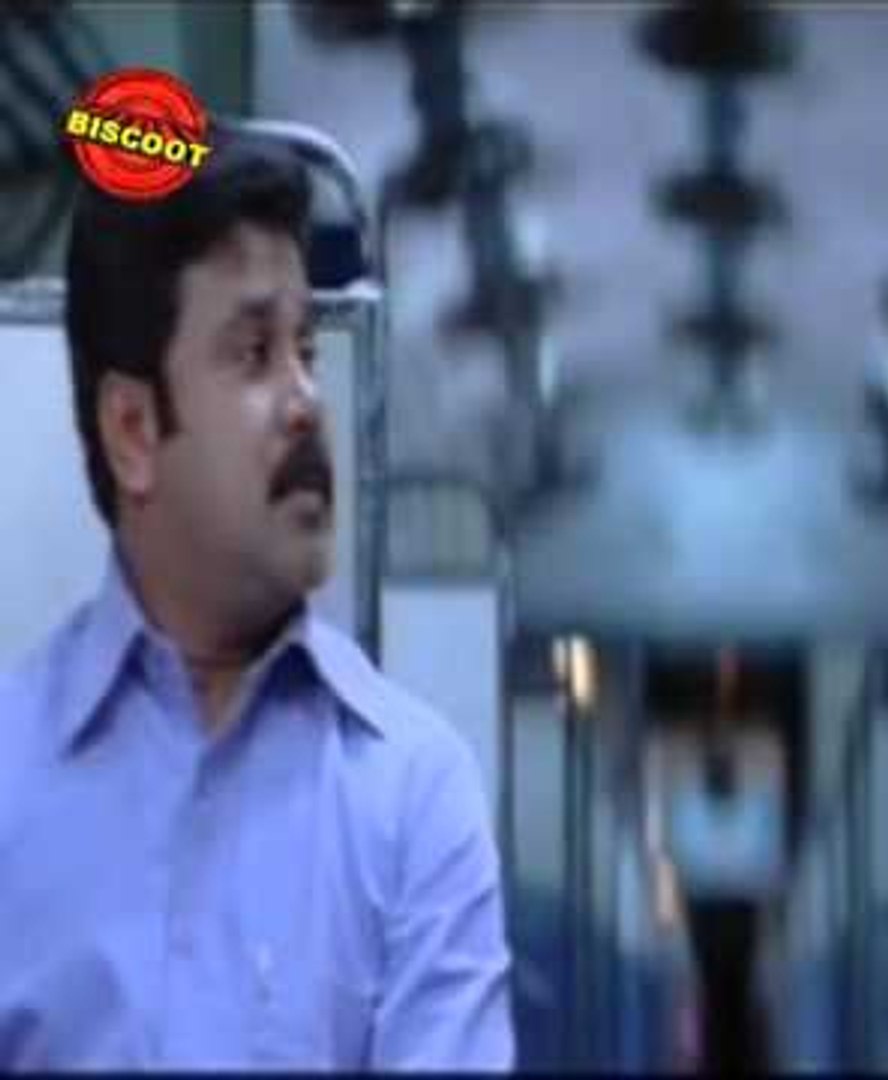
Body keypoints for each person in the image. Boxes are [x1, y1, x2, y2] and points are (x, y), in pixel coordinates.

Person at [0, 129, 513, 1069]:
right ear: (132, 430)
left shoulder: (412, 797)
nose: (307, 399)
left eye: (307, 349)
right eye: (254, 353)